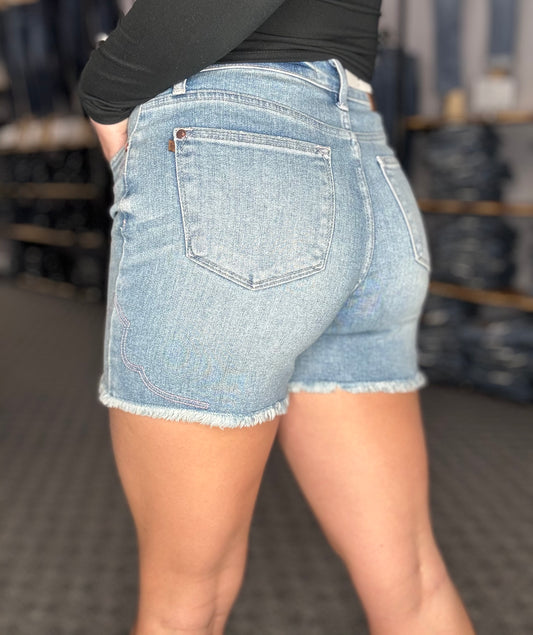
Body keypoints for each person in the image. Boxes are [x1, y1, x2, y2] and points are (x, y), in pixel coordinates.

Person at [77, 1, 476, 633]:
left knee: (184, 609)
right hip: (366, 163)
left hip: (231, 150)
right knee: (412, 583)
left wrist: (105, 87)